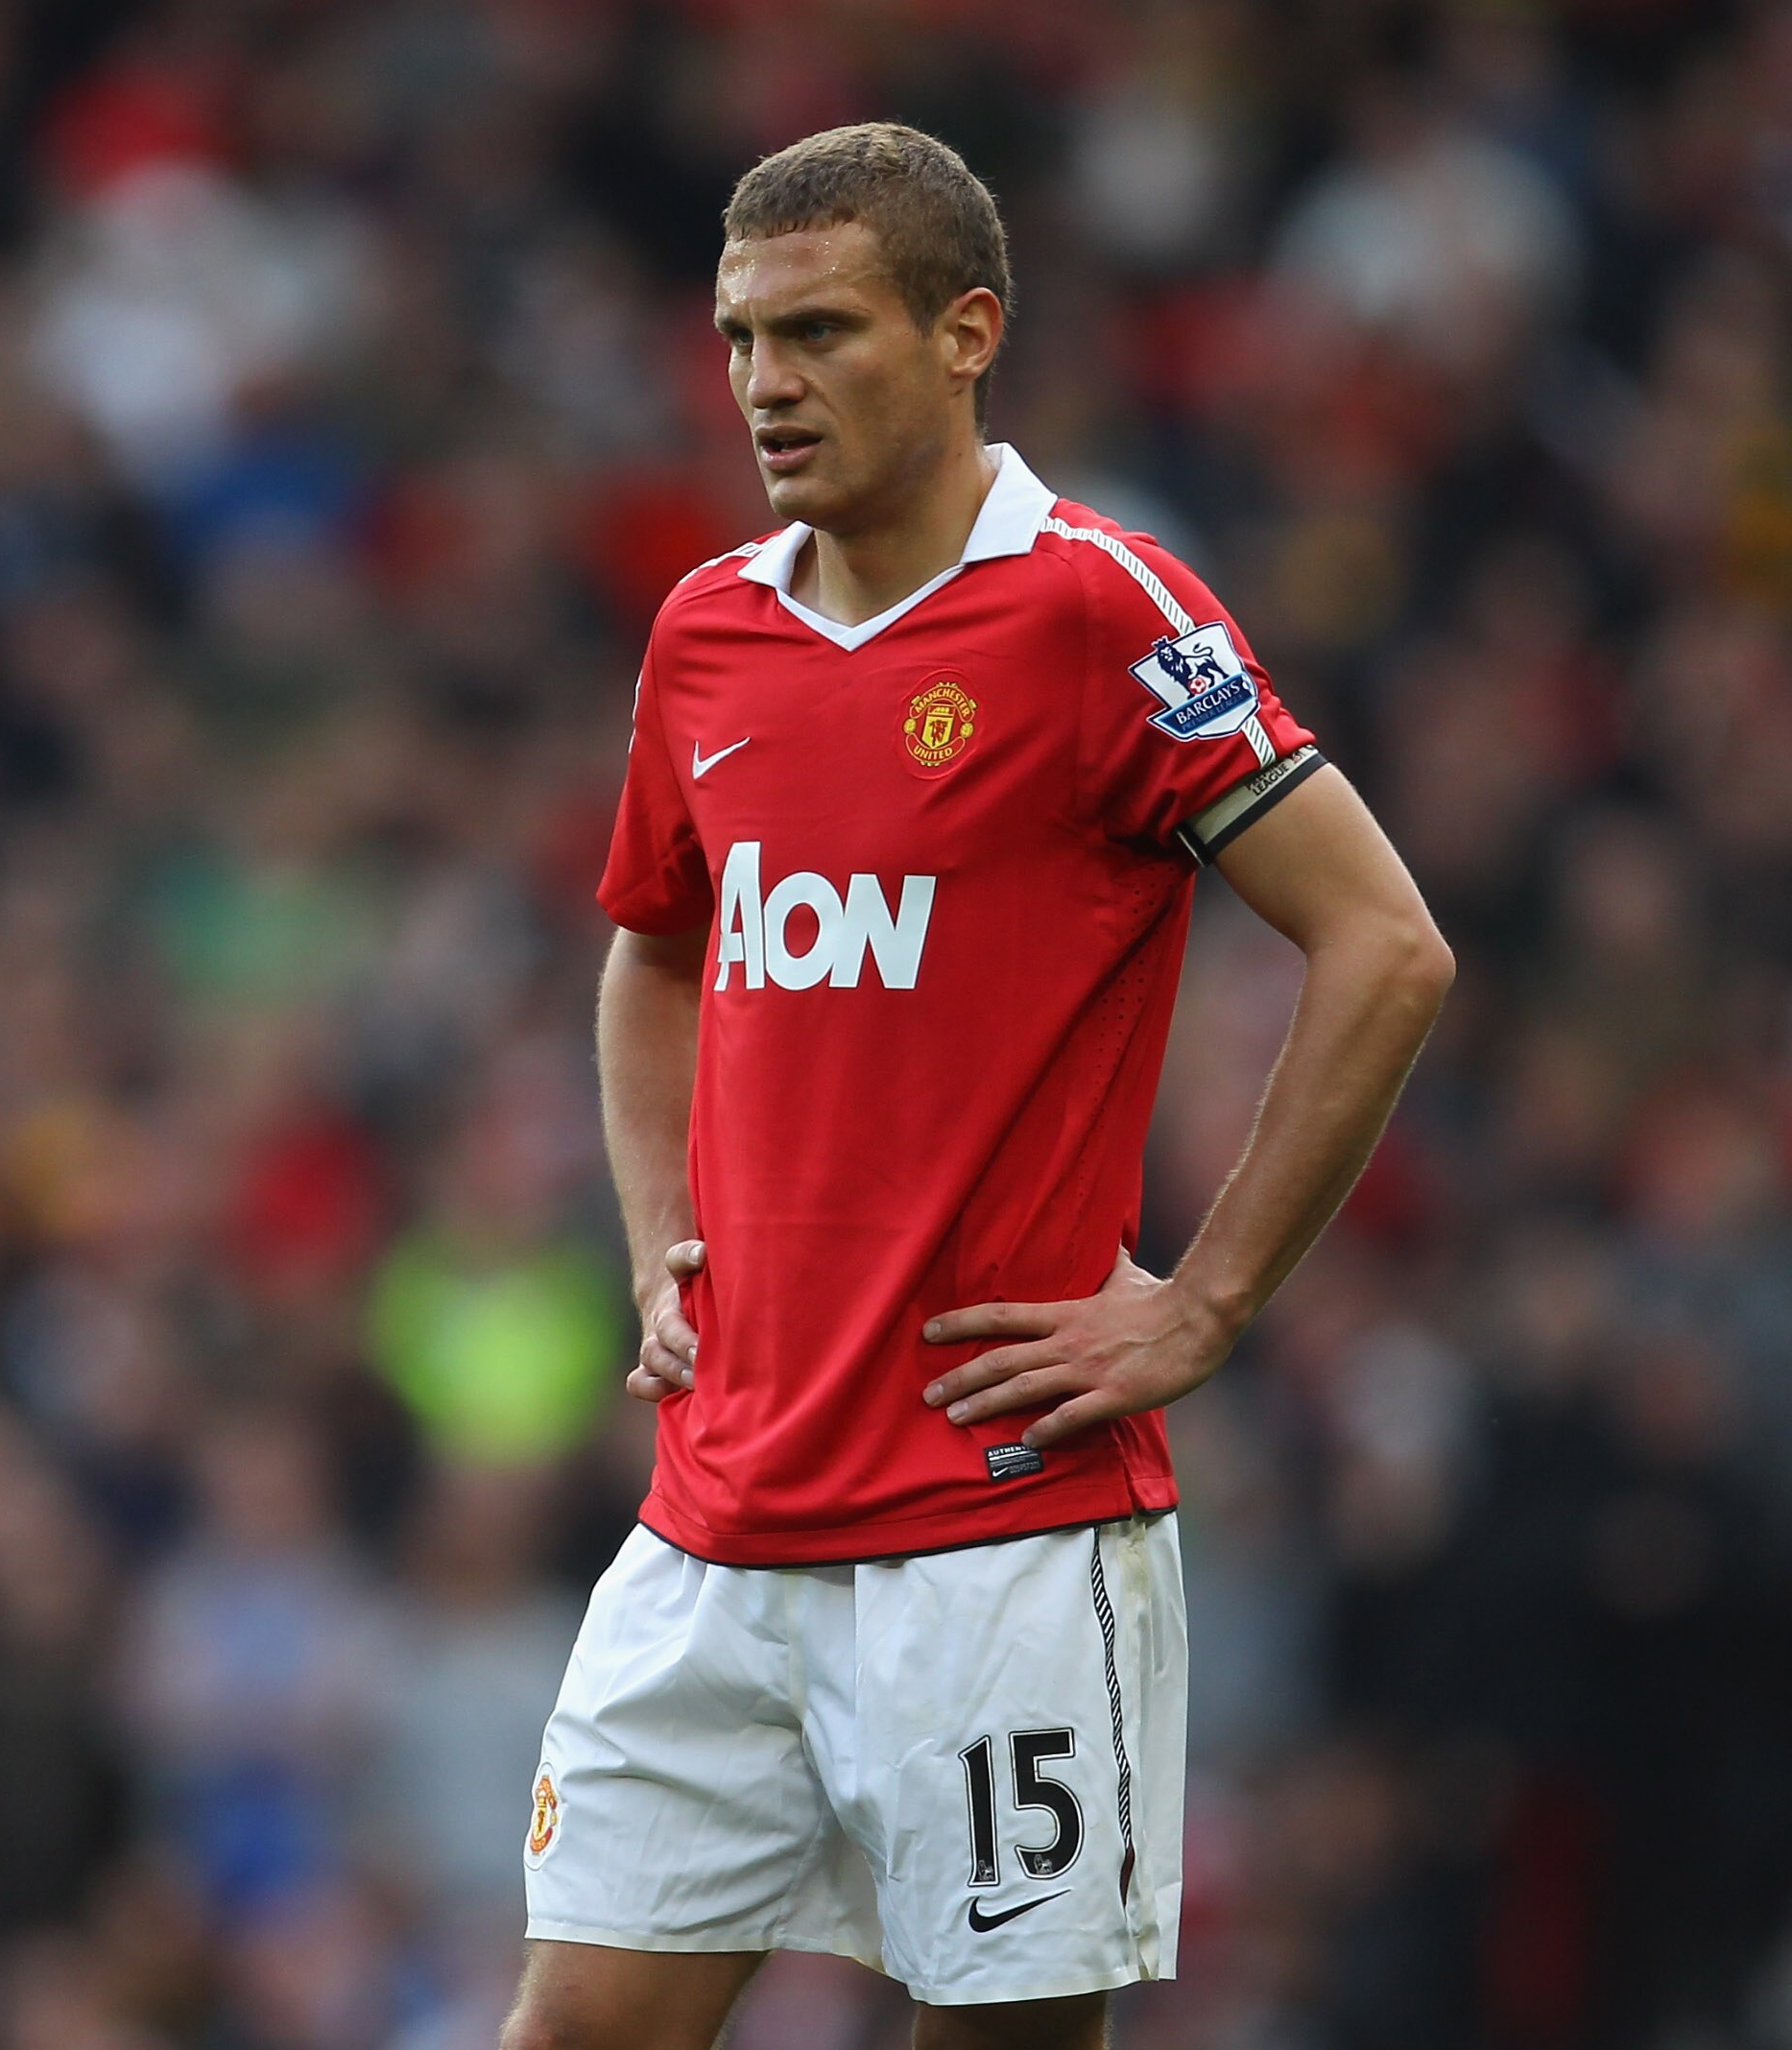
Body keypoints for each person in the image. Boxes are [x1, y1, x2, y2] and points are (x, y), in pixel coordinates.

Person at [506, 124, 1454, 2050]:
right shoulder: (705, 632)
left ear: (966, 333)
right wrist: (654, 1235)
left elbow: (1386, 945)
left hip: (1001, 1525)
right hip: (720, 1517)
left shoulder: (1103, 614)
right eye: (741, 337)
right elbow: (654, 950)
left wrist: (1205, 1300)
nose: (768, 384)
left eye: (823, 332)